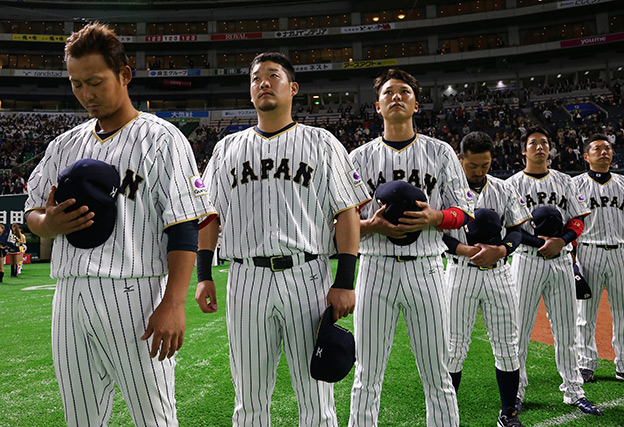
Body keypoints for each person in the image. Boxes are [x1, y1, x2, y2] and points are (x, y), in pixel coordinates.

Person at [24, 23, 213, 426]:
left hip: (136, 293)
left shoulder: (162, 139)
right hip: (70, 295)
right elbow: (32, 215)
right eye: (76, 84)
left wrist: (173, 303)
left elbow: (183, 227)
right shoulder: (64, 144)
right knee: (81, 418)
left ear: (124, 75)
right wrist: (49, 224)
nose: (86, 94)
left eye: (95, 82)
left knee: (154, 418)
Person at [195, 52, 369, 426]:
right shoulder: (227, 148)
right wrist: (204, 274)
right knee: (249, 398)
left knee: (316, 397)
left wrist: (345, 281)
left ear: (293, 88)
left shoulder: (321, 142)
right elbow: (209, 214)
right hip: (245, 279)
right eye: (256, 78)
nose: (263, 83)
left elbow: (348, 212)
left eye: (273, 76)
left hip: (307, 276)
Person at [348, 68, 473, 426]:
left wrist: (435, 217)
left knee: (437, 373)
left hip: (427, 265)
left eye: (405, 92)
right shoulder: (359, 158)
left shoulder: (441, 151)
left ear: (416, 104)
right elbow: (342, 221)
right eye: (389, 92)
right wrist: (371, 225)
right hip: (375, 266)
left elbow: (464, 212)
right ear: (377, 106)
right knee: (367, 374)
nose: (397, 97)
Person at [505, 127, 602, 415]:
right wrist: (540, 242)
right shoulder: (510, 184)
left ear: (551, 149)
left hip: (561, 260)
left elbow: (578, 220)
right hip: (526, 259)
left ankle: (573, 391)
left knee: (566, 330)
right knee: (519, 331)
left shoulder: (565, 181)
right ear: (523, 150)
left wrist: (562, 241)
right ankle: (516, 393)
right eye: (532, 143)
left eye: (544, 143)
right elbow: (510, 228)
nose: (539, 147)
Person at [442, 131, 530, 427]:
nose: (480, 171)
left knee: (507, 344)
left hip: (500, 274)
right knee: (454, 347)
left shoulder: (504, 189)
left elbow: (517, 230)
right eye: (473, 165)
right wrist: (464, 249)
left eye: (485, 165)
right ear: (460, 160)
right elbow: (436, 235)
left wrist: (503, 248)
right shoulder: (445, 190)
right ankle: (448, 413)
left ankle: (509, 412)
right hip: (459, 272)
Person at [573, 134, 624, 386]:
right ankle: (585, 363)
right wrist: (571, 258)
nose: (604, 152)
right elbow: (569, 222)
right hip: (588, 252)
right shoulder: (574, 185)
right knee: (584, 313)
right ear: (586, 156)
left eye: (608, 148)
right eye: (597, 149)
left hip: (622, 252)